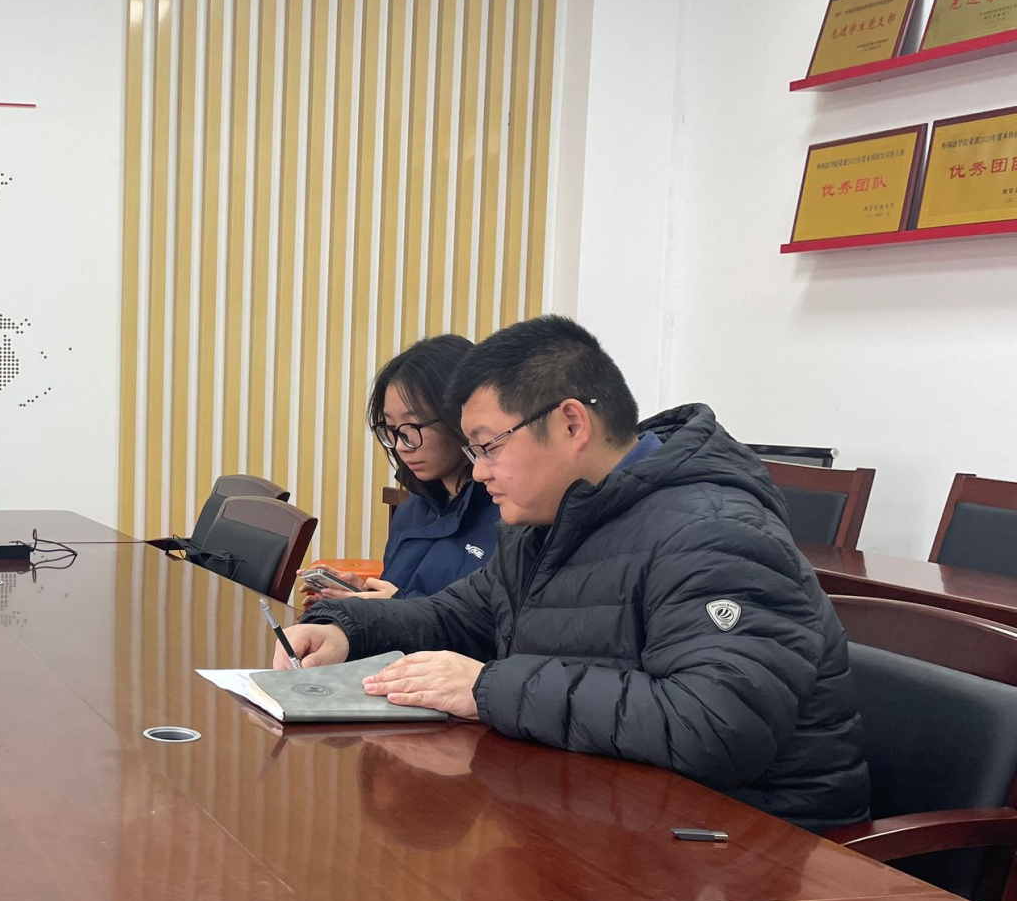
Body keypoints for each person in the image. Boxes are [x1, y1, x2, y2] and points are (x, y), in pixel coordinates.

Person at [275, 314, 868, 830]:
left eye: (488, 446)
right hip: (614, 811)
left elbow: (715, 725)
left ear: (571, 425)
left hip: (754, 853)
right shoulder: (549, 519)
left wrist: (487, 688)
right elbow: (463, 614)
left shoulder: (715, 533)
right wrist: (348, 630)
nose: (477, 473)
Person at [330, 333, 501, 601]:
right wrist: (362, 597)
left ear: (461, 417)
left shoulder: (508, 514)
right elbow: (399, 592)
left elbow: (488, 620)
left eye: (413, 427)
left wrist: (394, 604)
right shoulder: (412, 508)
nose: (401, 445)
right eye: (392, 428)